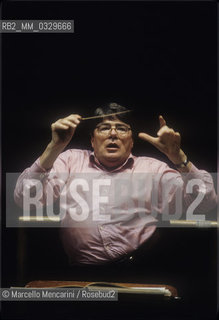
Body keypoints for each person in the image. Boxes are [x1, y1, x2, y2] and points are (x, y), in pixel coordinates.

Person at [14, 103, 217, 266]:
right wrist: (54, 146)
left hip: (142, 270)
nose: (113, 134)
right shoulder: (70, 160)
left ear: (131, 142)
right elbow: (25, 200)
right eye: (104, 128)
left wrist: (178, 157)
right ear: (92, 140)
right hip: (79, 274)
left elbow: (205, 203)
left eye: (121, 128)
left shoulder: (153, 169)